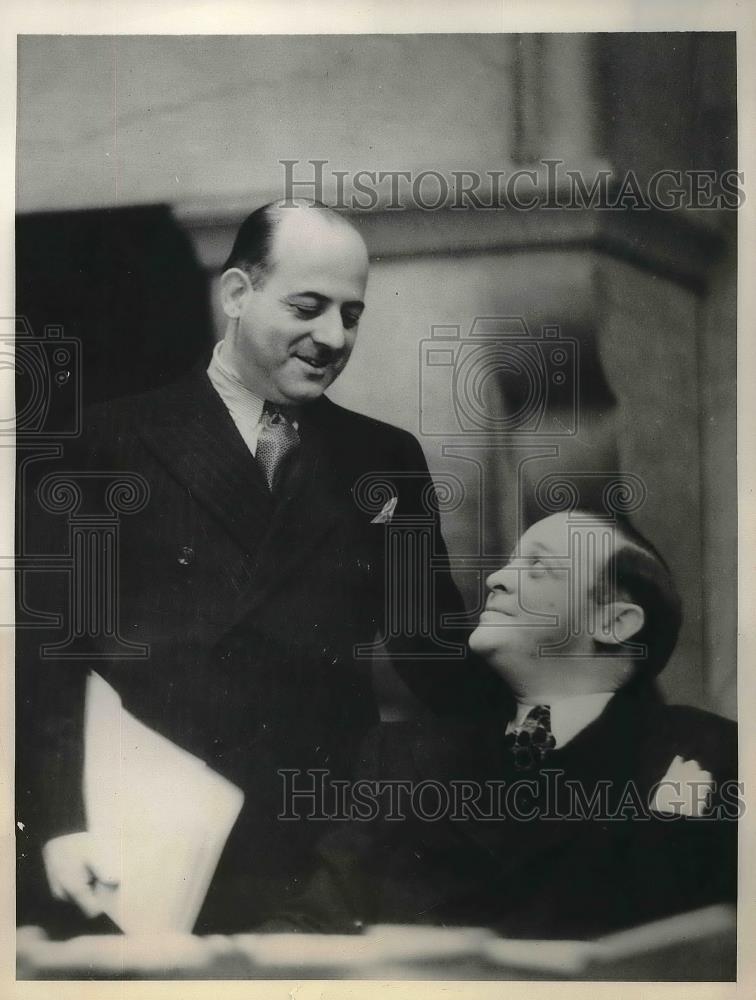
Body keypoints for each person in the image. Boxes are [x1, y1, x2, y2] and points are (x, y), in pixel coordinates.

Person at [16, 200, 504, 935]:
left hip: (323, 848)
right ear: (237, 294)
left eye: (352, 314)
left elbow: (433, 653)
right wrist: (60, 822)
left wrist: (566, 723)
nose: (333, 337)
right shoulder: (105, 444)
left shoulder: (383, 458)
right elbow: (49, 654)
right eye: (308, 306)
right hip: (146, 841)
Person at [265, 509, 738, 940]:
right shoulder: (402, 757)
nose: (496, 580)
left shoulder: (710, 751)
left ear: (615, 622)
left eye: (539, 568)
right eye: (509, 564)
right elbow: (316, 920)